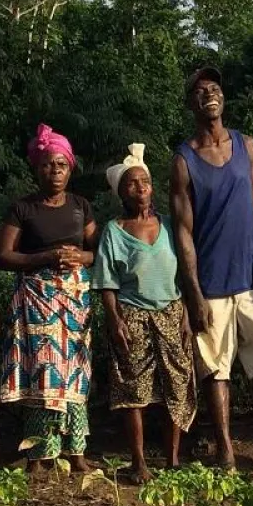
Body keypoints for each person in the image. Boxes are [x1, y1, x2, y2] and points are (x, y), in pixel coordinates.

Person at [171, 66, 253, 470]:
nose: (209, 94)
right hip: (210, 284)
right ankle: (225, 449)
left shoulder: (246, 146)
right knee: (216, 370)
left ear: (223, 98)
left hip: (251, 280)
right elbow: (183, 232)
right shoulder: (184, 160)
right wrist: (193, 291)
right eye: (200, 90)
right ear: (191, 103)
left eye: (215, 88)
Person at [0, 124, 98, 474]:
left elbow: (99, 250)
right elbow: (3, 256)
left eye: (61, 165)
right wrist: (45, 257)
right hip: (37, 301)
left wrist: (81, 257)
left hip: (74, 303)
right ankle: (39, 454)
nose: (55, 171)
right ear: (36, 169)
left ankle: (76, 451)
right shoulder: (23, 208)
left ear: (70, 168)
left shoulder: (80, 206)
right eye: (47, 165)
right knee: (43, 373)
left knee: (76, 372)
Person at [94, 144, 197, 484]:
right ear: (121, 192)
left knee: (176, 386)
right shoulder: (114, 231)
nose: (140, 188)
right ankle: (138, 462)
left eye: (145, 182)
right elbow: (107, 283)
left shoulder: (169, 225)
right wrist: (114, 320)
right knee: (133, 390)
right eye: (132, 183)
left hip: (171, 312)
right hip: (132, 315)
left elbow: (185, 274)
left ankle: (172, 460)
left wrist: (186, 315)